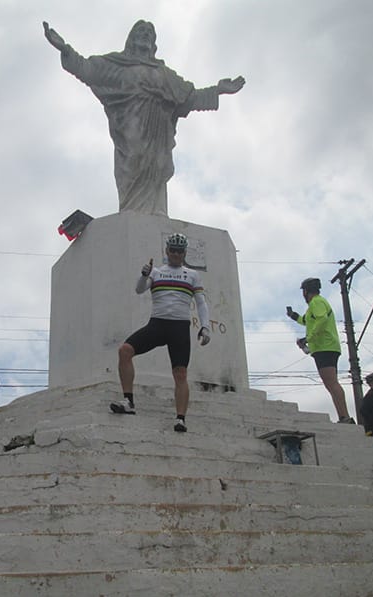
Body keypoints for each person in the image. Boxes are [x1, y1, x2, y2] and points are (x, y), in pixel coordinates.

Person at [43, 20, 245, 216]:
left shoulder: (164, 74)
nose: (145, 35)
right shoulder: (119, 65)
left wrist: (218, 90)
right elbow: (88, 70)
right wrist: (65, 49)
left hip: (158, 130)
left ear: (154, 43)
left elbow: (189, 98)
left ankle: (156, 213)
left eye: (149, 33)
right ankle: (132, 210)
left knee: (157, 166)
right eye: (141, 31)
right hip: (131, 125)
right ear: (131, 38)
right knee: (134, 162)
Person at [111, 233, 210, 432]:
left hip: (179, 327)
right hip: (157, 324)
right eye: (172, 250)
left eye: (179, 251)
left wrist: (205, 326)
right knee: (124, 350)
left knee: (180, 373)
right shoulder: (156, 272)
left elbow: (200, 302)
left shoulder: (192, 275)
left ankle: (180, 419)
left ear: (184, 253)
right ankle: (128, 402)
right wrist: (144, 275)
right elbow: (139, 289)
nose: (176, 254)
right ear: (166, 251)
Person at [287, 278, 354, 424]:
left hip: (325, 347)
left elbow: (322, 320)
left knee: (332, 383)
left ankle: (345, 417)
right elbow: (306, 321)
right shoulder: (317, 303)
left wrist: (308, 338)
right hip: (325, 347)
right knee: (330, 384)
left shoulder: (316, 302)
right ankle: (343, 417)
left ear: (306, 291)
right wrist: (293, 316)